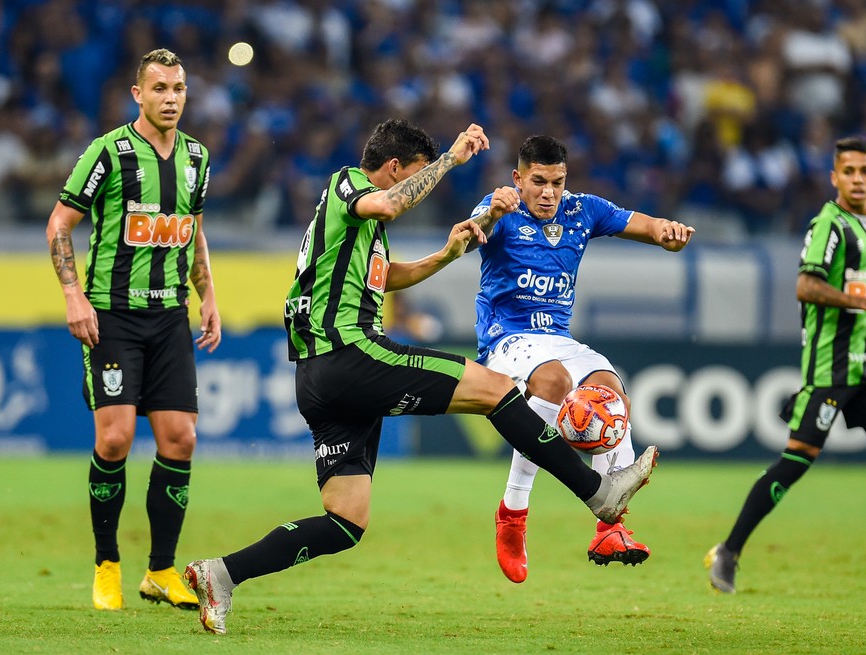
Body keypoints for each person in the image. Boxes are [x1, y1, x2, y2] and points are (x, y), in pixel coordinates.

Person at [183, 119, 658, 635]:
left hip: (320, 380)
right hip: (350, 353)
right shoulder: (348, 184)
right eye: (416, 173)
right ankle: (597, 492)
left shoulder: (360, 230)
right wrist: (451, 159)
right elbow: (390, 203)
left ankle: (220, 574)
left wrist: (445, 255)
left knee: (345, 521)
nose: (419, 185)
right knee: (496, 390)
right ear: (394, 168)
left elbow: (387, 277)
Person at [705, 136, 866, 595]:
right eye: (849, 172)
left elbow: (858, 288)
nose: (857, 179)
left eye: (865, 171)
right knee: (797, 460)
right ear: (835, 178)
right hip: (832, 367)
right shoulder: (829, 224)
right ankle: (729, 550)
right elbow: (806, 286)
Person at [464, 135, 694, 583]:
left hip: (557, 338)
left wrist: (666, 232)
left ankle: (609, 529)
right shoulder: (500, 206)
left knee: (611, 392)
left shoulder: (582, 209)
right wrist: (490, 214)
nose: (549, 192)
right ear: (518, 178)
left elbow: (643, 224)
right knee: (554, 382)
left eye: (557, 182)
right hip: (506, 337)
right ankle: (512, 513)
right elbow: (466, 236)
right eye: (538, 181)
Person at [46, 48, 221, 611]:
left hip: (169, 317)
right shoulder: (107, 153)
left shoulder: (197, 158)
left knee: (181, 439)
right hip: (112, 315)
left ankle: (161, 570)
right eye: (160, 88)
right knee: (115, 438)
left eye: (179, 88)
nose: (171, 98)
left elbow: (192, 229)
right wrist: (73, 295)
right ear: (137, 94)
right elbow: (60, 223)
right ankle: (107, 565)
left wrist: (208, 295)